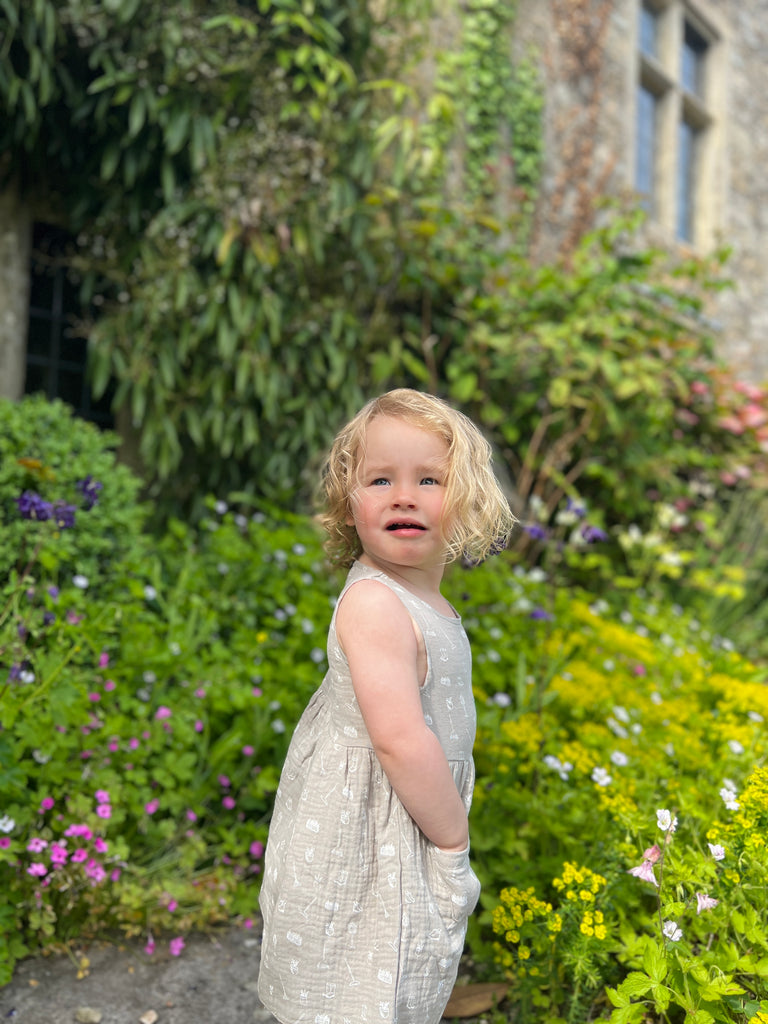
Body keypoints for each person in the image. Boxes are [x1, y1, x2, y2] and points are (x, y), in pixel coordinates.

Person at [257, 389, 515, 1024]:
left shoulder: (421, 601)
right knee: (357, 982)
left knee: (389, 979)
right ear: (351, 504)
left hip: (402, 815)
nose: (404, 495)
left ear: (464, 501)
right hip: (369, 828)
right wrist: (453, 839)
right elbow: (400, 741)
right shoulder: (375, 605)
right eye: (381, 479)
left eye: (429, 478)